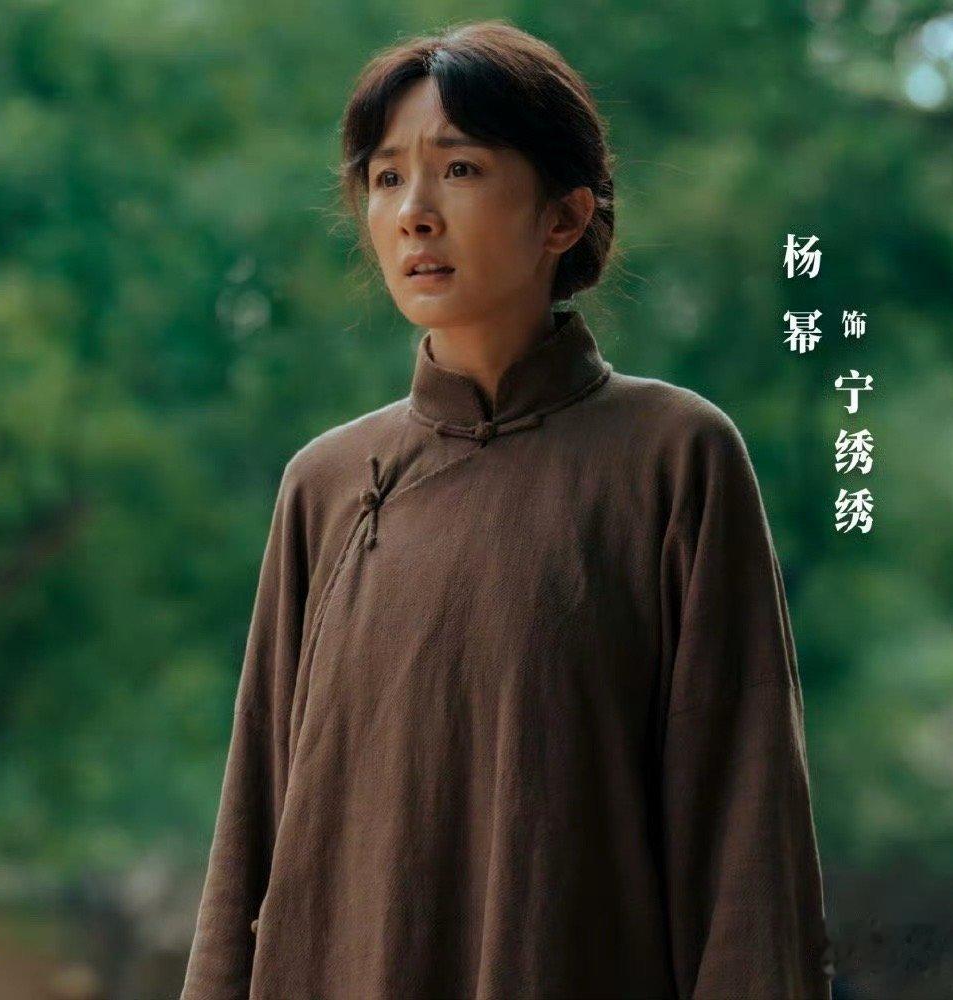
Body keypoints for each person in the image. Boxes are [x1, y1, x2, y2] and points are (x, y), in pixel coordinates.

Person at [179, 19, 833, 1000]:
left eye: (460, 170)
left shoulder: (672, 457)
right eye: (386, 177)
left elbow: (746, 832)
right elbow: (252, 821)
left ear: (563, 217)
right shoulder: (326, 482)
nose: (413, 213)